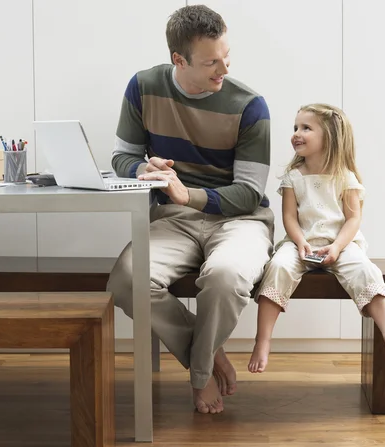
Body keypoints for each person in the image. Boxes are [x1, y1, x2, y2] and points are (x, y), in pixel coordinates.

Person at [106, 4, 275, 414]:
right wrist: (143, 167)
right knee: (127, 279)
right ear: (178, 60)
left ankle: (199, 377)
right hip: (174, 222)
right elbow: (121, 158)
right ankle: (208, 355)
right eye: (211, 61)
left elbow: (249, 193)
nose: (224, 68)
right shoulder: (143, 87)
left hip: (240, 221)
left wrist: (191, 196)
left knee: (225, 276)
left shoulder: (250, 105)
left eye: (226, 56)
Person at [248, 103, 385, 374]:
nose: (296, 133)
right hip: (302, 241)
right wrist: (300, 242)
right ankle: (262, 340)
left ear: (330, 136)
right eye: (295, 127)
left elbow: (353, 220)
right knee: (278, 268)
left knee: (366, 270)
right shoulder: (293, 177)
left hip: (341, 244)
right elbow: (289, 218)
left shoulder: (345, 178)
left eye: (306, 128)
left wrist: (337, 246)